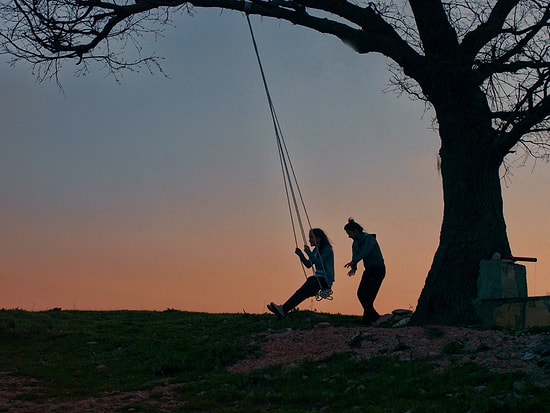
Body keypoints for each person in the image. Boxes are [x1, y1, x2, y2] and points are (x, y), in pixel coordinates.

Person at [267, 228, 335, 317]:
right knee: (302, 292)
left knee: (303, 290)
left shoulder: (327, 249)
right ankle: (283, 309)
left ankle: (283, 309)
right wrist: (301, 255)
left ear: (318, 238)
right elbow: (308, 264)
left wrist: (309, 253)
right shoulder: (316, 250)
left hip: (325, 280)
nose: (309, 240)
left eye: (311, 237)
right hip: (317, 279)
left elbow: (319, 263)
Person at [344, 218, 386, 325]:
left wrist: (354, 261)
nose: (349, 236)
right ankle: (373, 318)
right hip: (368, 270)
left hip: (378, 270)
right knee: (361, 293)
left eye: (349, 233)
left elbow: (365, 252)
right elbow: (355, 254)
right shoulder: (355, 244)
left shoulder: (370, 239)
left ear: (356, 230)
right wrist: (354, 267)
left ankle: (370, 320)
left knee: (369, 296)